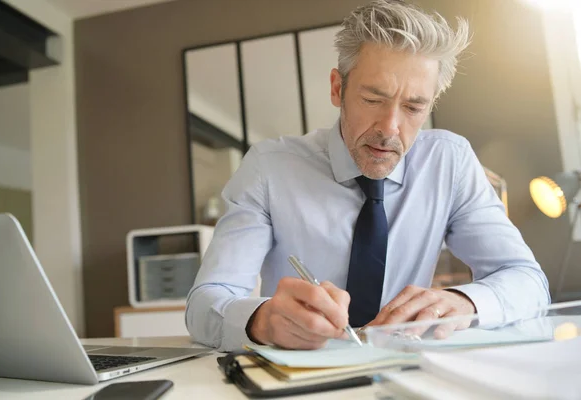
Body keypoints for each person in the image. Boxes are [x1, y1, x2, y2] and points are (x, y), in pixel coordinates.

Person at [185, 0, 550, 352]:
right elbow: (205, 304)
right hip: (299, 377)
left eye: (413, 107)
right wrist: (261, 321)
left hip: (408, 371)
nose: (390, 129)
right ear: (337, 89)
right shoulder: (267, 168)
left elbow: (527, 281)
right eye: (373, 100)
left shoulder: (450, 163)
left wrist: (463, 301)